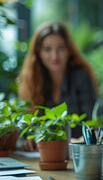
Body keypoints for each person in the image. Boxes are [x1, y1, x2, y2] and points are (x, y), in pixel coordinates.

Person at [17, 22, 97, 151]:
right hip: (42, 157)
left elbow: (92, 125)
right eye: (47, 49)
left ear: (69, 50)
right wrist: (27, 141)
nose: (55, 56)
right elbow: (24, 132)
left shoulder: (81, 77)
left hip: (76, 155)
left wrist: (81, 140)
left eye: (60, 48)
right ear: (38, 53)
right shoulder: (32, 81)